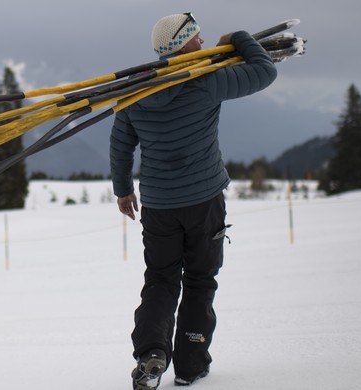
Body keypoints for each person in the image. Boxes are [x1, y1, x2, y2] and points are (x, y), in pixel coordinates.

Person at [110, 12, 277, 389]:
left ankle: (152, 353)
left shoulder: (136, 90)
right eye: (197, 38)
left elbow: (121, 144)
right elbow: (264, 72)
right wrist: (239, 37)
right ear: (181, 45)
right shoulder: (206, 81)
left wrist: (123, 189)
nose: (202, 43)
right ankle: (190, 365)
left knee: (160, 280)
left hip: (158, 206)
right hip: (203, 202)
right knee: (200, 280)